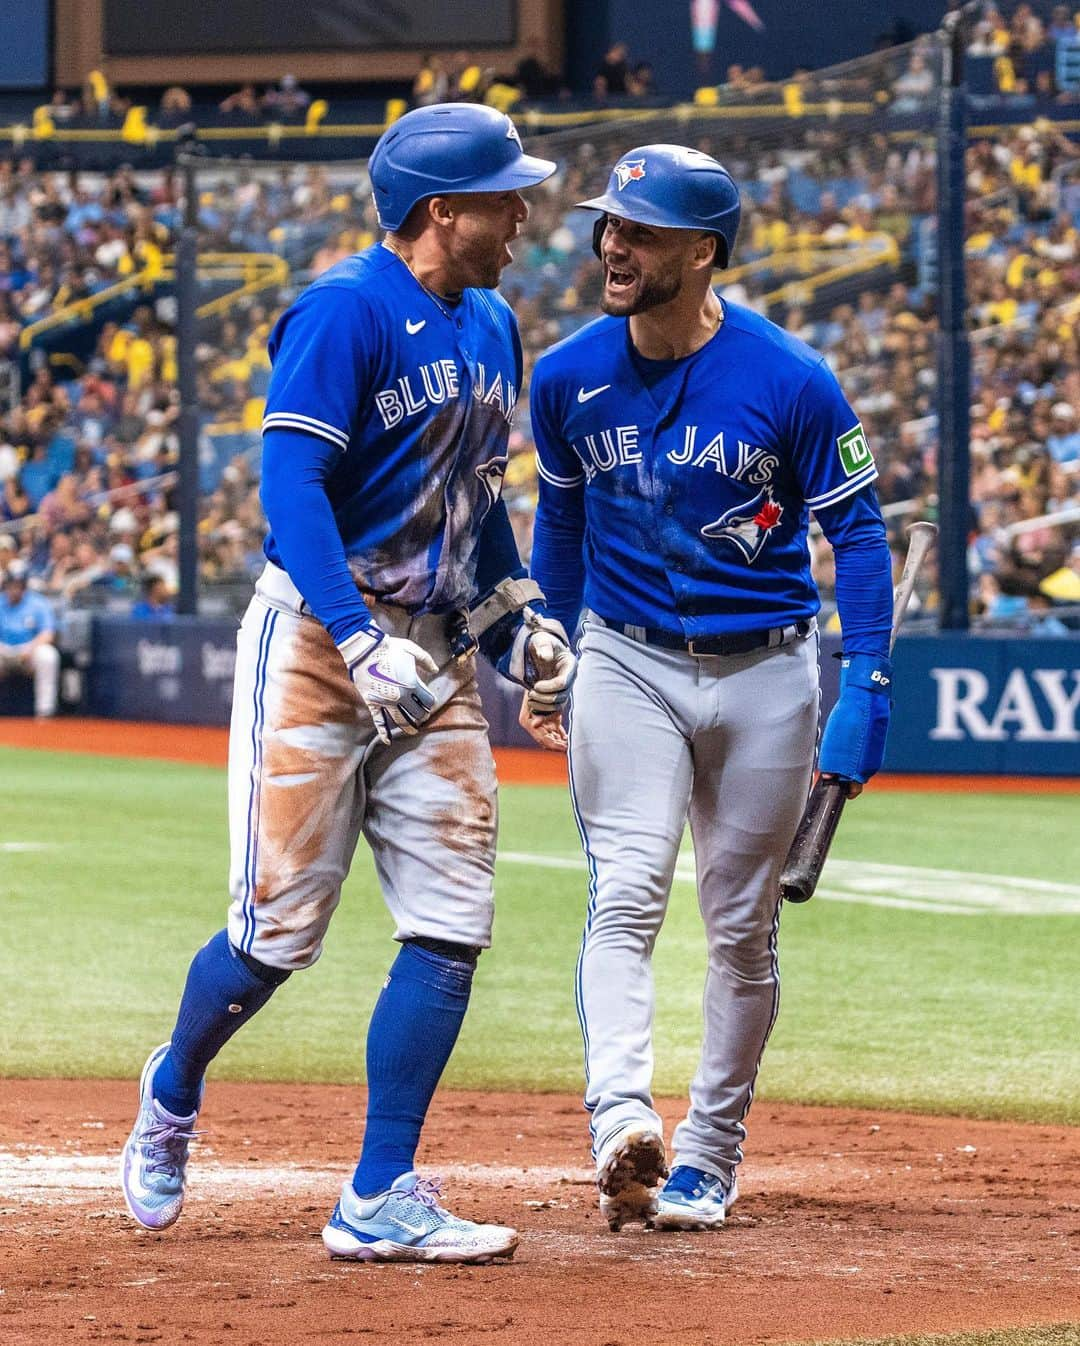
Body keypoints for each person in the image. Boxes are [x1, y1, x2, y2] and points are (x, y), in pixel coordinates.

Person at [121, 104, 575, 1263]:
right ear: (441, 212)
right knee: (275, 934)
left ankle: (379, 1189)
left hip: (435, 649)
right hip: (324, 642)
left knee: (453, 922)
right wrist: (350, 633)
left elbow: (476, 501)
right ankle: (173, 1087)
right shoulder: (341, 309)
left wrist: (515, 616)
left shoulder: (495, 325)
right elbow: (291, 487)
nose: (523, 216)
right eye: (505, 198)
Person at [524, 145, 893, 1232]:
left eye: (637, 231)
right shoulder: (567, 376)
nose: (612, 246)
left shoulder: (792, 379)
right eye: (608, 227)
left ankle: (709, 1157)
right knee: (627, 886)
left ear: (704, 249)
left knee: (740, 928)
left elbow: (859, 533)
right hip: (625, 659)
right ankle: (622, 1118)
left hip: (768, 669)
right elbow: (560, 524)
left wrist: (864, 676)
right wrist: (550, 648)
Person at [0, 560, 61, 717]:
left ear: (25, 585)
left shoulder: (38, 603)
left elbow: (48, 634)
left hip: (29, 652)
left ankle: (45, 711)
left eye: (19, 584)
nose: (15, 589)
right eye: (12, 584)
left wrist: (30, 648)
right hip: (3, 650)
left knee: (48, 655)